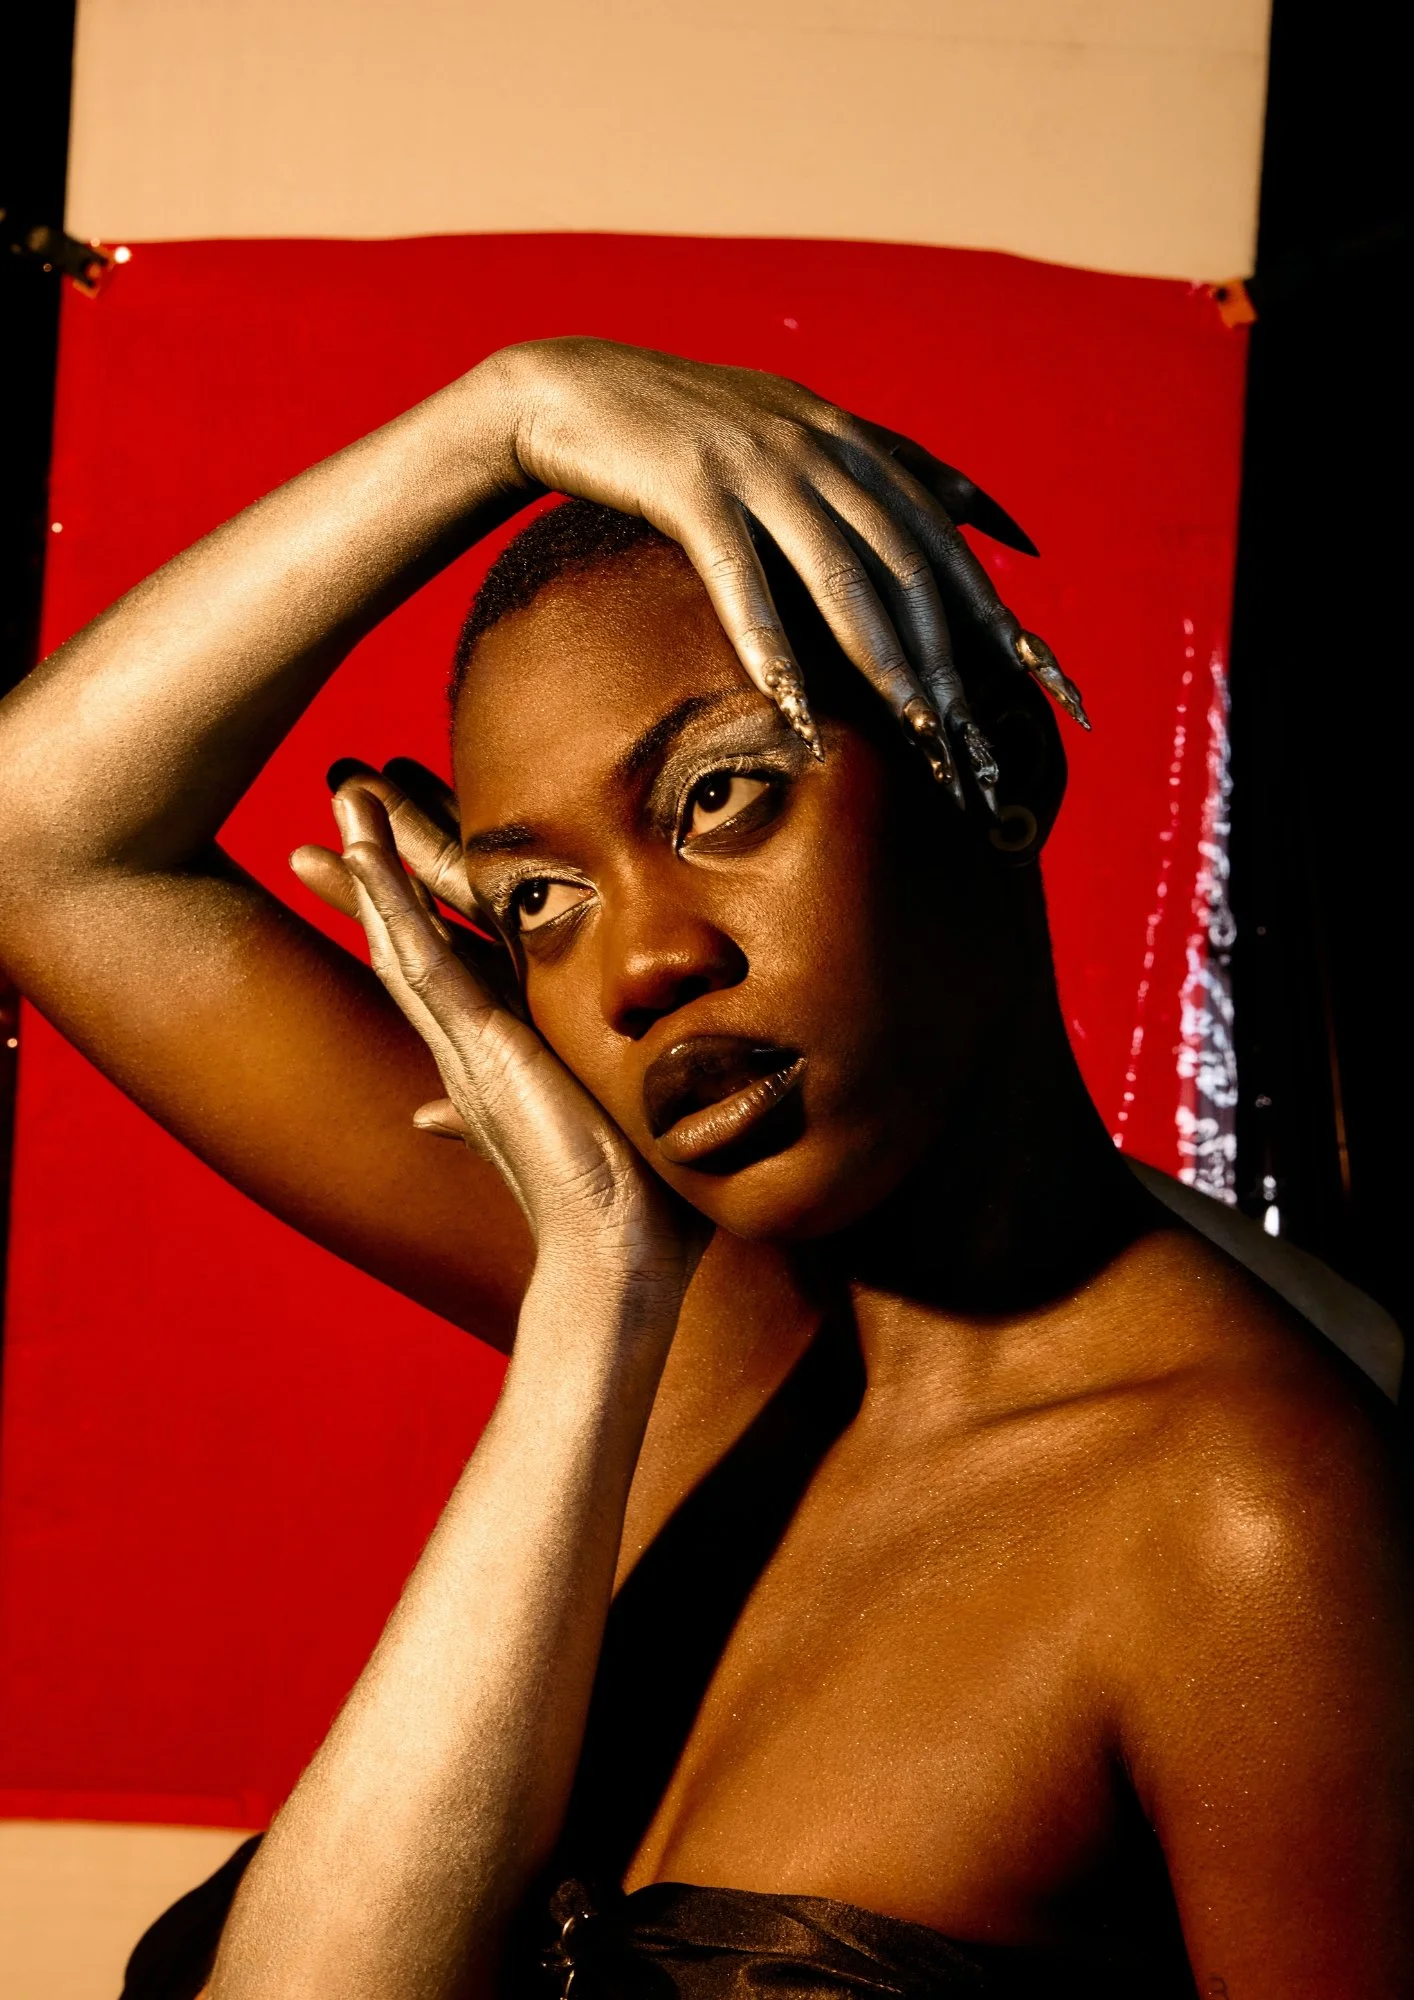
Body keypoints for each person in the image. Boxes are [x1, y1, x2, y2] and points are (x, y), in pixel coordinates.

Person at [0, 341, 1407, 2000]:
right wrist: (495, 419)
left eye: (721, 795)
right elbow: (39, 839)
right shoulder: (647, 1297)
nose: (640, 968)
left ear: (995, 772)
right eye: (540, 899)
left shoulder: (1248, 1522)